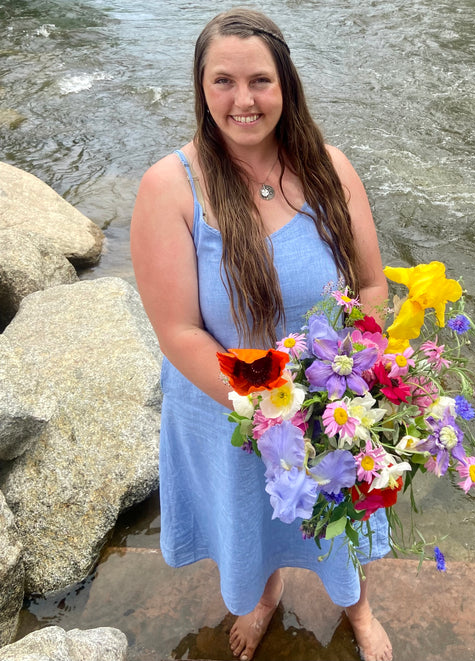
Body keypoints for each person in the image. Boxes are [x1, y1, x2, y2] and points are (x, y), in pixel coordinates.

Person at [130, 8, 392, 661]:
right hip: (229, 409)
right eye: (223, 81)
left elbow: (373, 289)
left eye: (259, 81)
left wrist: (355, 371)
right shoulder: (170, 187)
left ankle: (356, 605)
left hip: (330, 400)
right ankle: (262, 597)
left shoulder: (332, 169)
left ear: (286, 86)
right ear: (201, 88)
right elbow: (179, 330)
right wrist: (272, 403)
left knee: (337, 517)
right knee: (252, 524)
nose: (243, 99)